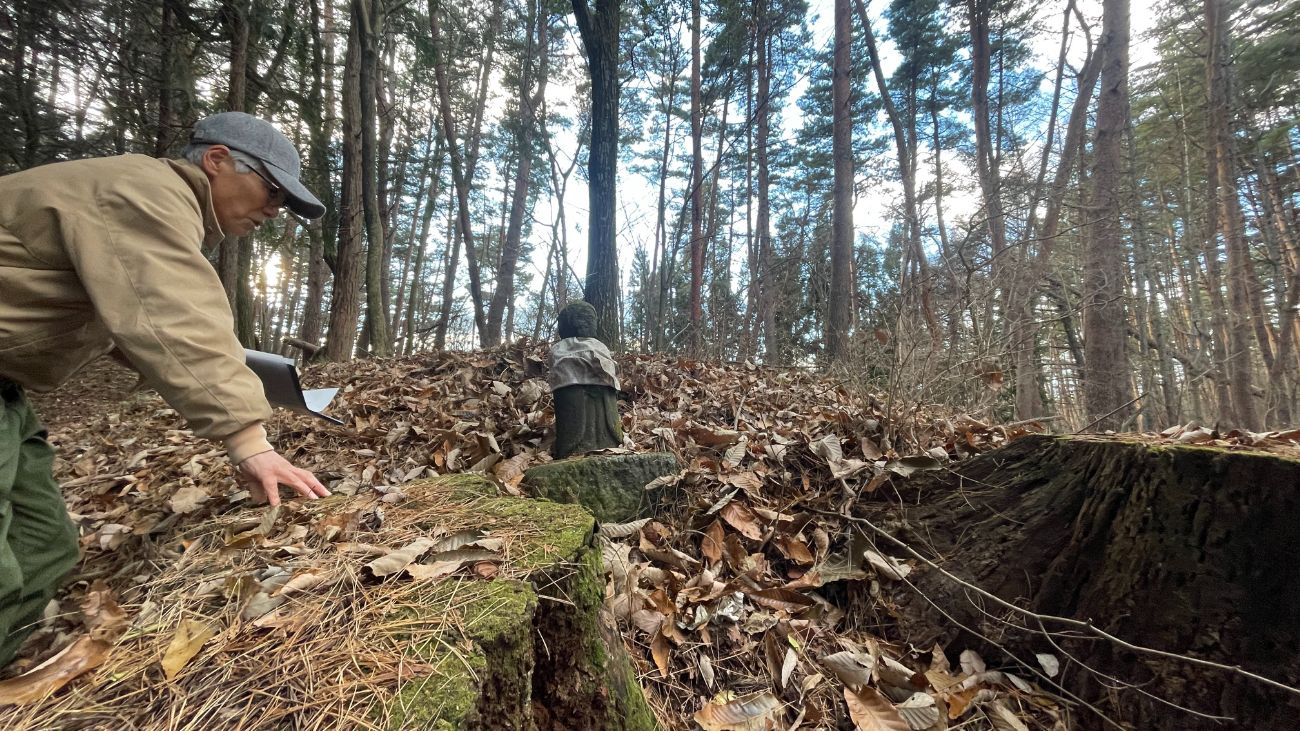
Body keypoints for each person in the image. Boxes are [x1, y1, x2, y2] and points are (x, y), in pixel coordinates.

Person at [0, 112, 331, 669]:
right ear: (217, 160)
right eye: (273, 191)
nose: (275, 211)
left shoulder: (133, 201)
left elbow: (130, 319)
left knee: (45, 545)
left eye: (284, 203)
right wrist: (250, 442)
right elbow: (174, 313)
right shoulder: (142, 191)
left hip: (9, 391)